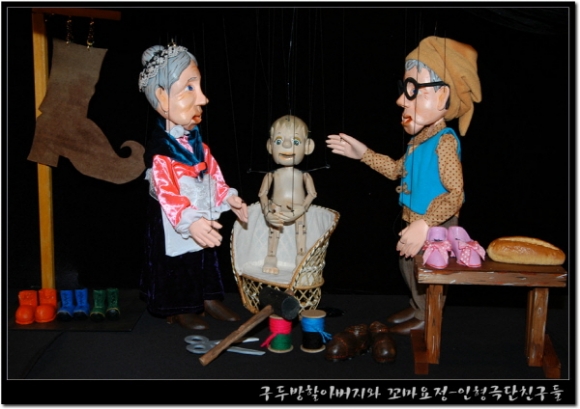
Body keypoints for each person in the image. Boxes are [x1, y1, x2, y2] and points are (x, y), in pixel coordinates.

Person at [326, 36, 481, 334]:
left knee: (430, 269)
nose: (401, 100)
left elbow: (455, 194)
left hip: (435, 224)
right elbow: (398, 170)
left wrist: (425, 224)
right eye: (404, 89)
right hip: (415, 219)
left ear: (442, 96)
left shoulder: (444, 142)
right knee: (408, 266)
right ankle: (417, 306)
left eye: (413, 89)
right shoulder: (418, 141)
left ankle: (428, 315)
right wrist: (364, 154)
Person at [139, 43, 248, 330]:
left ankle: (208, 297)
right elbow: (167, 193)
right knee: (177, 263)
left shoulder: (200, 146)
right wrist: (190, 220)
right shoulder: (162, 153)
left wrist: (229, 198)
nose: (203, 98)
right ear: (162, 97)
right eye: (189, 88)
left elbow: (215, 177)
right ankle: (178, 307)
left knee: (206, 256)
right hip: (175, 218)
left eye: (199, 87)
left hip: (201, 211)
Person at [259, 115, 317, 274]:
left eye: (295, 141)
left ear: (308, 147)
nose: (286, 145)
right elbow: (262, 194)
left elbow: (312, 194)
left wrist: (301, 209)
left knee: (301, 231)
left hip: (298, 209)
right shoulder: (271, 175)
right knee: (274, 232)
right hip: (275, 208)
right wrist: (267, 212)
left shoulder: (304, 175)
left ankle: (301, 258)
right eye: (278, 141)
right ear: (270, 146)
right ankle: (271, 257)